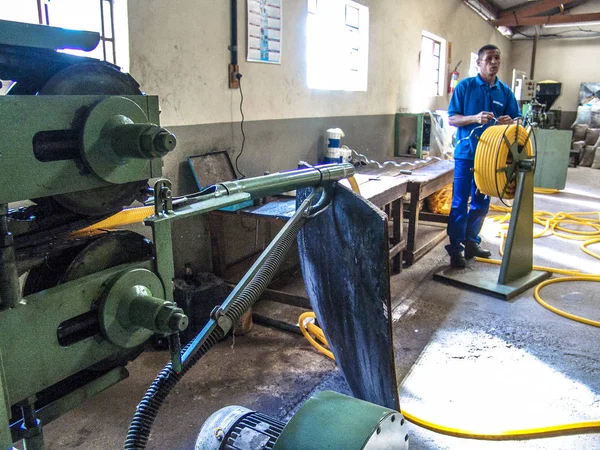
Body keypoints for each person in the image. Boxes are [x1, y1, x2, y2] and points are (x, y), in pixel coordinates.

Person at [446, 44, 520, 268]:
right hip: (467, 154)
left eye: (497, 58)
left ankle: (471, 242)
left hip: (492, 158)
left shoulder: (504, 92)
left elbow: (518, 120)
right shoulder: (465, 87)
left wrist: (511, 121)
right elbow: (452, 118)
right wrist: (474, 118)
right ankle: (456, 249)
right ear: (478, 63)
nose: (494, 62)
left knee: (481, 202)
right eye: (489, 59)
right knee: (460, 203)